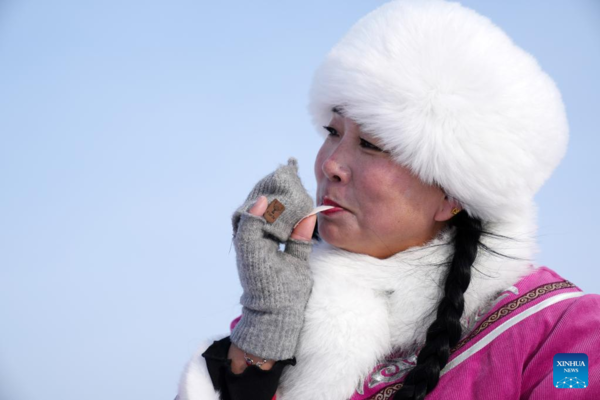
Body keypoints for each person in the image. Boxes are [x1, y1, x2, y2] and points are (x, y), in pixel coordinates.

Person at [176, 1, 600, 399]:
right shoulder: (280, 320)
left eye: (373, 145)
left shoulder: (568, 338)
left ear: (452, 195)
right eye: (332, 132)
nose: (331, 165)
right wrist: (265, 325)